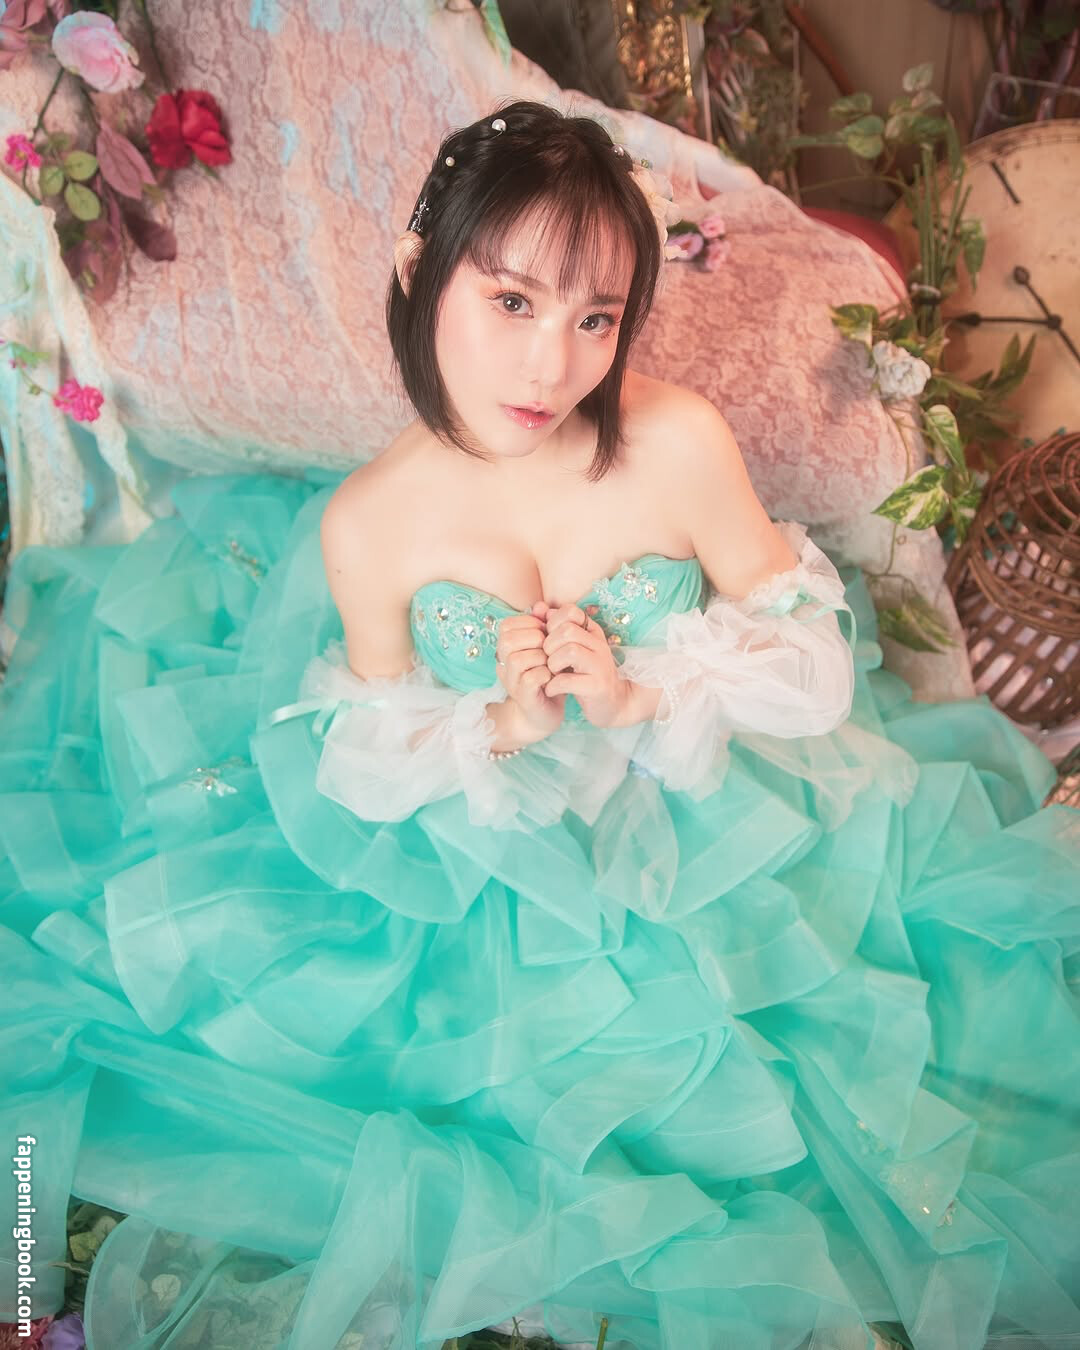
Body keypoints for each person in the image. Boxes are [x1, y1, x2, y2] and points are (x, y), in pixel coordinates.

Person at [0, 99, 1077, 1350]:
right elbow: (373, 760)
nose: (551, 368)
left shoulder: (676, 442)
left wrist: (638, 696)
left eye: (595, 318)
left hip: (710, 824)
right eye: (511, 301)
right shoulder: (373, 522)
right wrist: (503, 723)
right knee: (480, 1126)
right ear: (421, 268)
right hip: (494, 878)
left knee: (846, 1094)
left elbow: (810, 662)